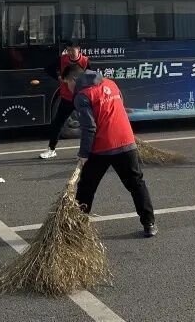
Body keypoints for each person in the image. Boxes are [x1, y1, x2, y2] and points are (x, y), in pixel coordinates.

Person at [63, 63, 158, 237]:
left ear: (74, 79)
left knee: (86, 187)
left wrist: (83, 154)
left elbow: (89, 128)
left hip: (102, 146)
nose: (68, 88)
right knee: (136, 184)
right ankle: (149, 224)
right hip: (126, 141)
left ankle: (77, 228)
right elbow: (119, 106)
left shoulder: (82, 96)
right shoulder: (110, 83)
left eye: (67, 83)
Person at [37, 41, 92, 159]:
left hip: (81, 98)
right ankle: (51, 149)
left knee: (88, 125)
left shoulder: (85, 61)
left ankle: (88, 152)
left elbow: (91, 78)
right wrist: (59, 77)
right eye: (68, 50)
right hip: (67, 98)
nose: (70, 52)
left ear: (79, 49)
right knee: (57, 123)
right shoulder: (62, 59)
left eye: (73, 50)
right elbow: (48, 69)